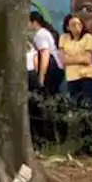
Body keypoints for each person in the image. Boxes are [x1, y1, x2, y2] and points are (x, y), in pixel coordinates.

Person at [59, 15, 92, 153]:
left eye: (79, 24)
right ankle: (81, 144)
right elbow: (62, 60)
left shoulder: (88, 38)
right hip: (72, 78)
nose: (76, 27)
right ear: (67, 27)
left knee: (90, 110)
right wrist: (78, 58)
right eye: (73, 24)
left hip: (87, 77)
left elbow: (87, 60)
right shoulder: (63, 38)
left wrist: (71, 58)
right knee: (77, 110)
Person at [28, 10, 64, 145]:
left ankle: (52, 135)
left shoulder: (40, 35)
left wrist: (41, 76)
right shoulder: (44, 33)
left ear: (34, 22)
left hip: (51, 67)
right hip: (56, 67)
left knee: (48, 100)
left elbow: (45, 55)